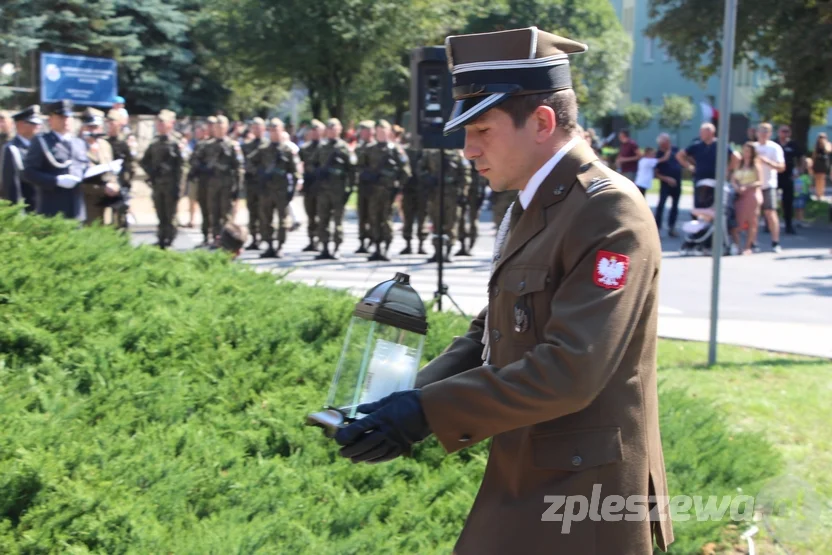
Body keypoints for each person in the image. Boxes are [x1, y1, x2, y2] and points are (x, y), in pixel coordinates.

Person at [332, 26, 673, 554]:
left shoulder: (607, 210)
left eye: (483, 130)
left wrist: (426, 413)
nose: (467, 149)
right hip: (532, 471)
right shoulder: (532, 205)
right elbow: (490, 333)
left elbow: (571, 371)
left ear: (541, 122)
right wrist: (405, 402)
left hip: (583, 497)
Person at [23, 100, 88, 221]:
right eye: (61, 117)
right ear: (51, 119)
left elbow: (84, 168)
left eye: (69, 117)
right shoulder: (42, 141)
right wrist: (55, 180)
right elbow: (29, 172)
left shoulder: (79, 143)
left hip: (76, 208)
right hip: (52, 207)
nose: (66, 121)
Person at [357, 119, 411, 261]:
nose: (381, 134)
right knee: (373, 218)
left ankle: (386, 248)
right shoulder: (369, 149)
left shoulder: (395, 149)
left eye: (384, 131)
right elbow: (360, 167)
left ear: (388, 132)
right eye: (379, 131)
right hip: (373, 191)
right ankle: (376, 247)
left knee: (386, 219)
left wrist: (399, 188)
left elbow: (405, 171)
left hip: (388, 191)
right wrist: (367, 177)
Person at [249, 118, 300, 258]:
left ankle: (279, 246)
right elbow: (249, 162)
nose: (274, 133)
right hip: (266, 190)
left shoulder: (287, 150)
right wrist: (258, 173)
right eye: (271, 130)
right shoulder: (263, 149)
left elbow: (295, 172)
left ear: (282, 130)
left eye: (276, 130)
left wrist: (292, 190)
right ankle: (269, 245)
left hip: (281, 190)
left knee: (283, 220)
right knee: (266, 219)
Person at [140, 110, 184, 248]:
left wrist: (179, 184)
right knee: (160, 211)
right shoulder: (154, 142)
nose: (160, 125)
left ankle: (169, 238)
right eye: (159, 123)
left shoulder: (176, 142)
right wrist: (151, 172)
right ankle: (161, 237)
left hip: (171, 183)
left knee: (170, 213)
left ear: (171, 124)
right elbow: (144, 161)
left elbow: (183, 165)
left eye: (163, 123)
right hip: (157, 183)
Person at [419, 148, 470, 263]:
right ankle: (437, 252)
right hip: (435, 194)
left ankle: (448, 251)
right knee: (436, 224)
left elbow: (465, 173)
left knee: (451, 224)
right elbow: (420, 169)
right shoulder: (430, 153)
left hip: (452, 195)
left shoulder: (457, 154)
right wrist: (427, 178)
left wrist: (462, 192)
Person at [313, 118, 354, 259]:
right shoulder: (321, 147)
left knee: (338, 220)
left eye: (334, 128)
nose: (332, 131)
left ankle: (336, 247)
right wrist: (317, 173)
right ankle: (324, 247)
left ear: (340, 130)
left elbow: (351, 169)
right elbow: (311, 164)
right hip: (323, 189)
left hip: (338, 189)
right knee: (323, 219)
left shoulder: (344, 147)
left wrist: (350, 187)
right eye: (329, 129)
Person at [676, 122, 740, 209]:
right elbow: (679, 155)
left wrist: (728, 170)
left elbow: (736, 157)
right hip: (700, 178)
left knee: (715, 203)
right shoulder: (697, 145)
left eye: (703, 132)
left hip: (716, 179)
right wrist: (689, 167)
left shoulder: (720, 144)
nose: (701, 134)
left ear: (711, 132)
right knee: (699, 203)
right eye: (701, 132)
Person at [79, 108, 119, 226]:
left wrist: (114, 184)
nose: (94, 131)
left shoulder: (105, 145)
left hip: (106, 199)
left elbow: (111, 169)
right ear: (83, 128)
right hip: (86, 200)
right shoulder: (77, 146)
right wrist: (101, 189)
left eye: (96, 127)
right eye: (90, 127)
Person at [1, 105, 41, 211]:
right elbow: (11, 185)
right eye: (33, 123)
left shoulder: (40, 146)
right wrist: (17, 210)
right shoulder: (12, 148)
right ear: (20, 124)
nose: (38, 126)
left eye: (38, 123)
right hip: (26, 206)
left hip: (42, 206)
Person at [755, 123, 786, 253]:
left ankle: (775, 242)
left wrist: (767, 162)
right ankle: (752, 242)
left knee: (770, 212)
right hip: (754, 185)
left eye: (766, 131)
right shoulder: (753, 147)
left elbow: (781, 167)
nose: (763, 133)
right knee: (753, 215)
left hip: (769, 184)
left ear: (770, 133)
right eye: (761, 131)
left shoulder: (775, 148)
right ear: (757, 132)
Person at [241, 117, 269, 250]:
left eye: (259, 127)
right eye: (254, 127)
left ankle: (265, 236)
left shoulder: (268, 146)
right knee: (252, 211)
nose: (257, 130)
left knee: (264, 211)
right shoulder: (246, 146)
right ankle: (254, 237)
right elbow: (245, 163)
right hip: (252, 182)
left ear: (264, 129)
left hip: (265, 185)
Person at [730, 142, 763, 254]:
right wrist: (736, 186)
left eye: (748, 151)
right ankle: (738, 245)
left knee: (751, 221)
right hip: (739, 195)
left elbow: (760, 181)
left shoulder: (756, 165)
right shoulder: (739, 164)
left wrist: (747, 186)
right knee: (736, 221)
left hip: (751, 194)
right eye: (744, 150)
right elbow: (733, 178)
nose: (746, 153)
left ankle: (748, 246)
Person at [105, 109, 135, 230]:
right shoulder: (104, 141)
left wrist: (127, 182)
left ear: (118, 124)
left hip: (121, 181)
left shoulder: (124, 142)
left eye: (112, 122)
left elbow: (130, 164)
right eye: (108, 122)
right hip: (107, 182)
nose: (110, 125)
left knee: (121, 215)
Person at [299, 119, 325, 252]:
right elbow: (299, 165)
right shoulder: (304, 148)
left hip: (322, 188)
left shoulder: (326, 148)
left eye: (317, 130)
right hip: (309, 187)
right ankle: (311, 240)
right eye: (313, 130)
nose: (315, 133)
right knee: (310, 215)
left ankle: (321, 240)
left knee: (322, 215)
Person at [774, 125, 803, 235]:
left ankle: (788, 225)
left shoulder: (793, 145)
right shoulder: (774, 144)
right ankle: (769, 224)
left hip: (788, 176)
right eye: (783, 131)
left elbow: (801, 157)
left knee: (788, 202)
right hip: (775, 176)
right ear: (778, 132)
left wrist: (799, 171)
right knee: (771, 202)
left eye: (787, 131)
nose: (785, 134)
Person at [353, 120, 376, 253]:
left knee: (373, 214)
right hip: (362, 186)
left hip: (374, 187)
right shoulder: (358, 147)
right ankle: (362, 241)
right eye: (362, 130)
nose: (363, 133)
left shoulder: (376, 146)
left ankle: (374, 238)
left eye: (366, 130)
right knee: (362, 214)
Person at [654, 133, 683, 236]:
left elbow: (683, 160)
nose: (662, 145)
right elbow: (656, 173)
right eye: (661, 144)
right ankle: (657, 229)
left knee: (675, 206)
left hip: (677, 182)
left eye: (664, 143)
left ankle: (672, 227)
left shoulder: (676, 150)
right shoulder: (658, 154)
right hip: (665, 183)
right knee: (661, 205)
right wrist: (667, 179)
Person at [811, 132, 831, 200]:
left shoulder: (828, 144)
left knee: (822, 178)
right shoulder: (816, 145)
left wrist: (824, 143)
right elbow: (814, 155)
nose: (822, 138)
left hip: (824, 163)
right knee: (817, 178)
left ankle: (821, 193)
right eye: (820, 137)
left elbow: (828, 150)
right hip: (817, 163)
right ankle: (818, 194)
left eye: (823, 137)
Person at [794, 158, 813, 226]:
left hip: (802, 194)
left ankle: (800, 220)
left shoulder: (805, 177)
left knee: (801, 207)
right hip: (795, 194)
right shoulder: (795, 177)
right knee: (796, 207)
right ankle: (797, 219)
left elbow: (809, 184)